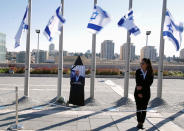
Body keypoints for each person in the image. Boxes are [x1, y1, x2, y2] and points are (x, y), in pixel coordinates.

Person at [134, 58, 154, 129]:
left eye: (143, 63)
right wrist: (139, 92)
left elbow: (149, 83)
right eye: (140, 63)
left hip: (146, 93)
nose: (141, 65)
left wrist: (142, 86)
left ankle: (141, 123)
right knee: (139, 107)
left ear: (147, 64)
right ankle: (139, 122)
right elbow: (138, 82)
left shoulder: (150, 72)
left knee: (144, 108)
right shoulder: (138, 71)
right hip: (138, 93)